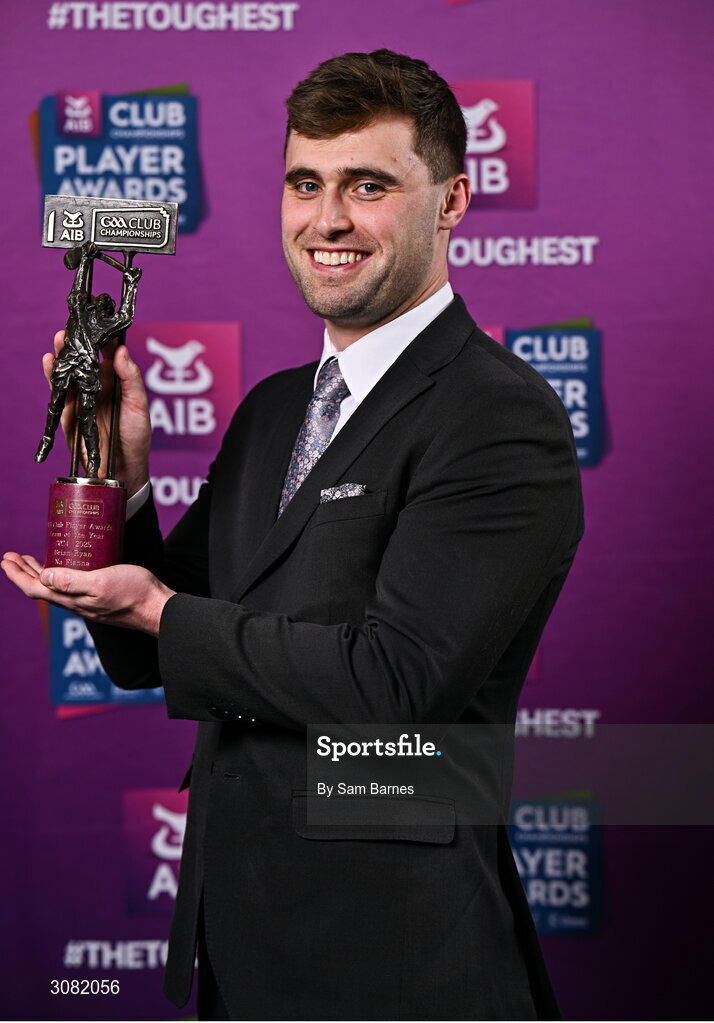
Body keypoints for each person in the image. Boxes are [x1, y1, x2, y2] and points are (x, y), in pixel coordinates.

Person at [3, 50, 583, 1021]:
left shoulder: (496, 415)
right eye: (305, 184)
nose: (328, 220)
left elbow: (396, 684)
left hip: (393, 957)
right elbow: (145, 649)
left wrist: (162, 609)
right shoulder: (275, 409)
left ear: (451, 202)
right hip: (241, 940)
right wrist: (120, 469)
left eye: (369, 186)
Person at [35, 241, 142, 478]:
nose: (103, 299)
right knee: (55, 406)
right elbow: (79, 291)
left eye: (107, 301)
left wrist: (131, 284)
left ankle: (94, 458)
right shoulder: (79, 311)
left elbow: (125, 317)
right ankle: (47, 439)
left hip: (87, 369)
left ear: (109, 309)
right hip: (66, 363)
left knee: (87, 416)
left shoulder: (106, 325)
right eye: (100, 299)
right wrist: (85, 259)